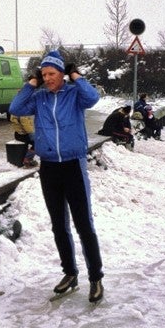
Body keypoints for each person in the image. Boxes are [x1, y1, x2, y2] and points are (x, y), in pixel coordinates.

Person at [9, 50, 105, 303]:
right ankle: (70, 273)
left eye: (52, 73)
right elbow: (15, 108)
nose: (48, 78)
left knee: (84, 225)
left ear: (62, 74)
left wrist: (76, 76)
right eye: (44, 74)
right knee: (59, 225)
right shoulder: (39, 98)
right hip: (49, 168)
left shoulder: (74, 94)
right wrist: (32, 83)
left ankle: (96, 278)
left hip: (73, 166)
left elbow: (93, 98)